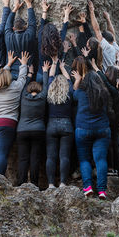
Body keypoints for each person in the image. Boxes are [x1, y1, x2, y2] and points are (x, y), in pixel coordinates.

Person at [0, 50, 30, 175]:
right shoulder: (15, 87)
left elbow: (1, 75)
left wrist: (8, 64)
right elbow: (22, 77)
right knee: (2, 153)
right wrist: (24, 64)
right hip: (6, 122)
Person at [72, 70, 111, 199]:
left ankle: (88, 187)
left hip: (83, 129)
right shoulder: (104, 93)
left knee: (84, 159)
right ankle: (102, 191)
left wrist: (77, 80)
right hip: (102, 129)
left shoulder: (81, 93)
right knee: (100, 160)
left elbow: (73, 95)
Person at [16, 60, 51, 186]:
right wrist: (45, 71)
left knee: (23, 158)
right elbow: (46, 85)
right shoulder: (42, 97)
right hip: (38, 130)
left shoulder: (23, 95)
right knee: (35, 158)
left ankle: (22, 183)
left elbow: (24, 85)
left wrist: (30, 73)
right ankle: (34, 184)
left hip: (22, 130)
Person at [46, 57, 74, 188]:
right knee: (64, 156)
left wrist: (55, 63)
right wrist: (63, 67)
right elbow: (68, 79)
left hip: (51, 125)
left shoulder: (49, 91)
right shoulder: (69, 91)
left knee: (51, 157)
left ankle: (51, 184)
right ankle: (63, 183)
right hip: (67, 125)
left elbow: (51, 75)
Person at [37, 1, 73, 81]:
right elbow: (64, 29)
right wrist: (66, 14)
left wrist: (44, 10)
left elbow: (42, 23)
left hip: (40, 74)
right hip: (54, 75)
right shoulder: (59, 43)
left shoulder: (40, 39)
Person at [4, 0, 36, 79]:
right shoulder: (28, 36)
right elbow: (32, 23)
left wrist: (15, 8)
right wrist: (29, 3)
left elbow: (7, 24)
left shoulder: (8, 36)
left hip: (10, 72)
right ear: (25, 27)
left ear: (13, 28)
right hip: (26, 70)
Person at [88, 1, 119, 72]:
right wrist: (108, 19)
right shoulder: (116, 48)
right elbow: (112, 33)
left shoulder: (106, 47)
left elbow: (97, 30)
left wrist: (91, 11)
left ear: (105, 40)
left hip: (107, 76)